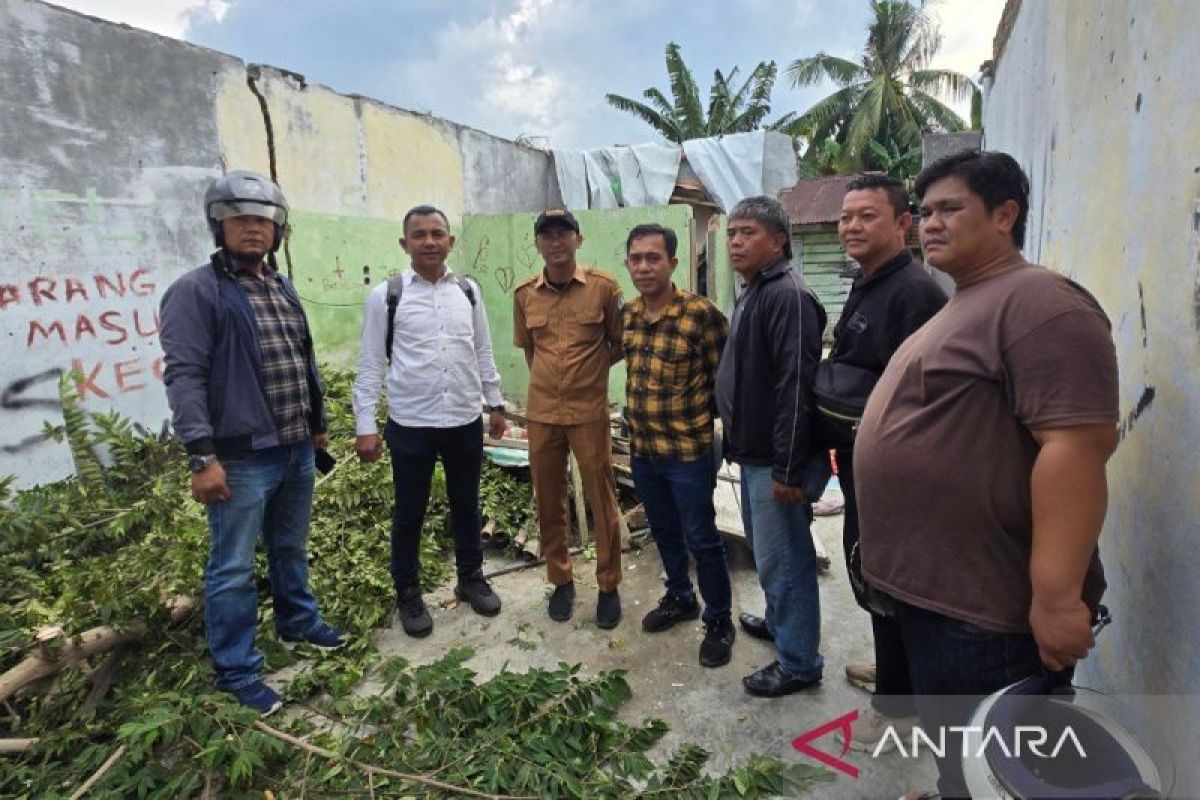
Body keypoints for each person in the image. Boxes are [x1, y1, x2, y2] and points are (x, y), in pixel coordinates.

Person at [855, 150, 1119, 798]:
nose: (931, 224)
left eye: (952, 209)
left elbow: (1076, 447)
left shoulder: (1041, 304)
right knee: (963, 751)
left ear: (1005, 214)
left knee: (1006, 768)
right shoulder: (966, 301)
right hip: (936, 600)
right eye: (927, 211)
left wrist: (1056, 598)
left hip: (985, 614)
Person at [160, 170, 344, 716]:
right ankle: (237, 671)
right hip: (240, 457)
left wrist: (316, 421)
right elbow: (185, 375)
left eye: (263, 221)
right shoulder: (196, 291)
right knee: (233, 567)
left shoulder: (281, 285)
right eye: (240, 219)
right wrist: (201, 455)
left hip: (293, 448)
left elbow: (299, 356)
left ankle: (298, 622)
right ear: (218, 225)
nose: (253, 230)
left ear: (277, 230)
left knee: (290, 546)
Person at [827, 174, 947, 748]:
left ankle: (903, 703)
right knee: (869, 571)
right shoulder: (868, 282)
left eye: (867, 216)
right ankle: (894, 673)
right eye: (847, 216)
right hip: (861, 459)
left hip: (898, 470)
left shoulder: (915, 293)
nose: (852, 226)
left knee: (895, 579)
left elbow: (924, 396)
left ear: (904, 223)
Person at [352, 205, 506, 638]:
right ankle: (408, 593)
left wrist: (494, 403)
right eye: (419, 235)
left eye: (437, 233)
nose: (429, 242)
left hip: (462, 421)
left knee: (467, 504)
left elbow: (482, 351)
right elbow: (370, 365)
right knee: (410, 511)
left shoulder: (468, 293)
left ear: (450, 242)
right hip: (411, 424)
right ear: (405, 244)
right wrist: (365, 424)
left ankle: (471, 578)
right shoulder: (387, 295)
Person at [715, 195, 829, 697]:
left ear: (778, 241)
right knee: (769, 553)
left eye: (747, 233)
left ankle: (800, 662)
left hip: (775, 461)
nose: (735, 242)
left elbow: (795, 387)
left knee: (787, 558)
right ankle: (784, 625)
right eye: (732, 234)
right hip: (756, 453)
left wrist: (786, 469)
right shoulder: (755, 290)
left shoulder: (788, 296)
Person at [621, 223, 735, 667]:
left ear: (673, 262)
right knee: (663, 531)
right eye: (636, 258)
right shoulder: (629, 315)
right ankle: (680, 596)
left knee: (702, 538)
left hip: (687, 452)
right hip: (644, 450)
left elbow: (723, 381)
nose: (644, 266)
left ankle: (719, 620)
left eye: (653, 257)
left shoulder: (701, 315)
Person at [513, 209, 625, 628]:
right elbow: (530, 350)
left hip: (588, 411)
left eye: (563, 233)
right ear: (538, 243)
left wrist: (589, 373)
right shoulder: (525, 294)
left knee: (601, 497)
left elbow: (619, 342)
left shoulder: (603, 288)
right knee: (548, 498)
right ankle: (561, 579)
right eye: (546, 235)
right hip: (542, 412)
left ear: (578, 239)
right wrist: (550, 385)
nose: (555, 241)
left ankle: (609, 585)